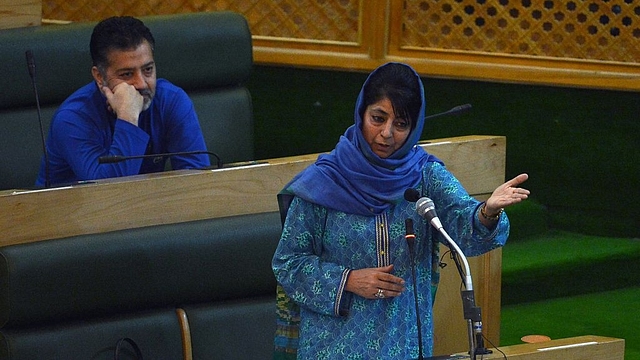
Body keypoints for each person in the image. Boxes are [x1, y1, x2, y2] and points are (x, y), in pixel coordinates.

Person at [271, 62, 530, 359]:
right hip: (332, 344)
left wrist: (487, 211)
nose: (387, 133)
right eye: (378, 118)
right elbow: (288, 264)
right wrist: (349, 280)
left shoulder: (425, 176)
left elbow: (464, 232)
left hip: (404, 343)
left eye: (401, 124)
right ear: (361, 113)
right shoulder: (323, 182)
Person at [35, 16, 210, 187]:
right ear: (99, 77)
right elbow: (108, 191)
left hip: (145, 208)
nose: (141, 84)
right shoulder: (72, 119)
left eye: (148, 70)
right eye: (127, 74)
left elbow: (198, 182)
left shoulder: (171, 101)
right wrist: (128, 117)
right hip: (70, 212)